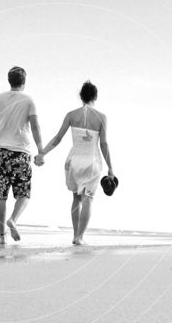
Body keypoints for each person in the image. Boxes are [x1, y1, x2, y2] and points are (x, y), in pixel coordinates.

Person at [36, 81, 114, 245]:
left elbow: (57, 139)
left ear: (81, 96)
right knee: (88, 199)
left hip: (73, 161)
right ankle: (80, 237)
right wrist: (111, 168)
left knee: (76, 199)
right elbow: (104, 144)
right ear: (95, 97)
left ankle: (75, 235)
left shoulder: (71, 115)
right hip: (92, 162)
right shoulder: (102, 117)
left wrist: (42, 153)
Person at [0, 66, 44, 245]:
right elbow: (35, 127)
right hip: (21, 152)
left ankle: (2, 236)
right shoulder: (29, 100)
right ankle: (13, 220)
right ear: (23, 82)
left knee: (0, 195)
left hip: (1, 152)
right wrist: (41, 150)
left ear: (9, 81)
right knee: (23, 193)